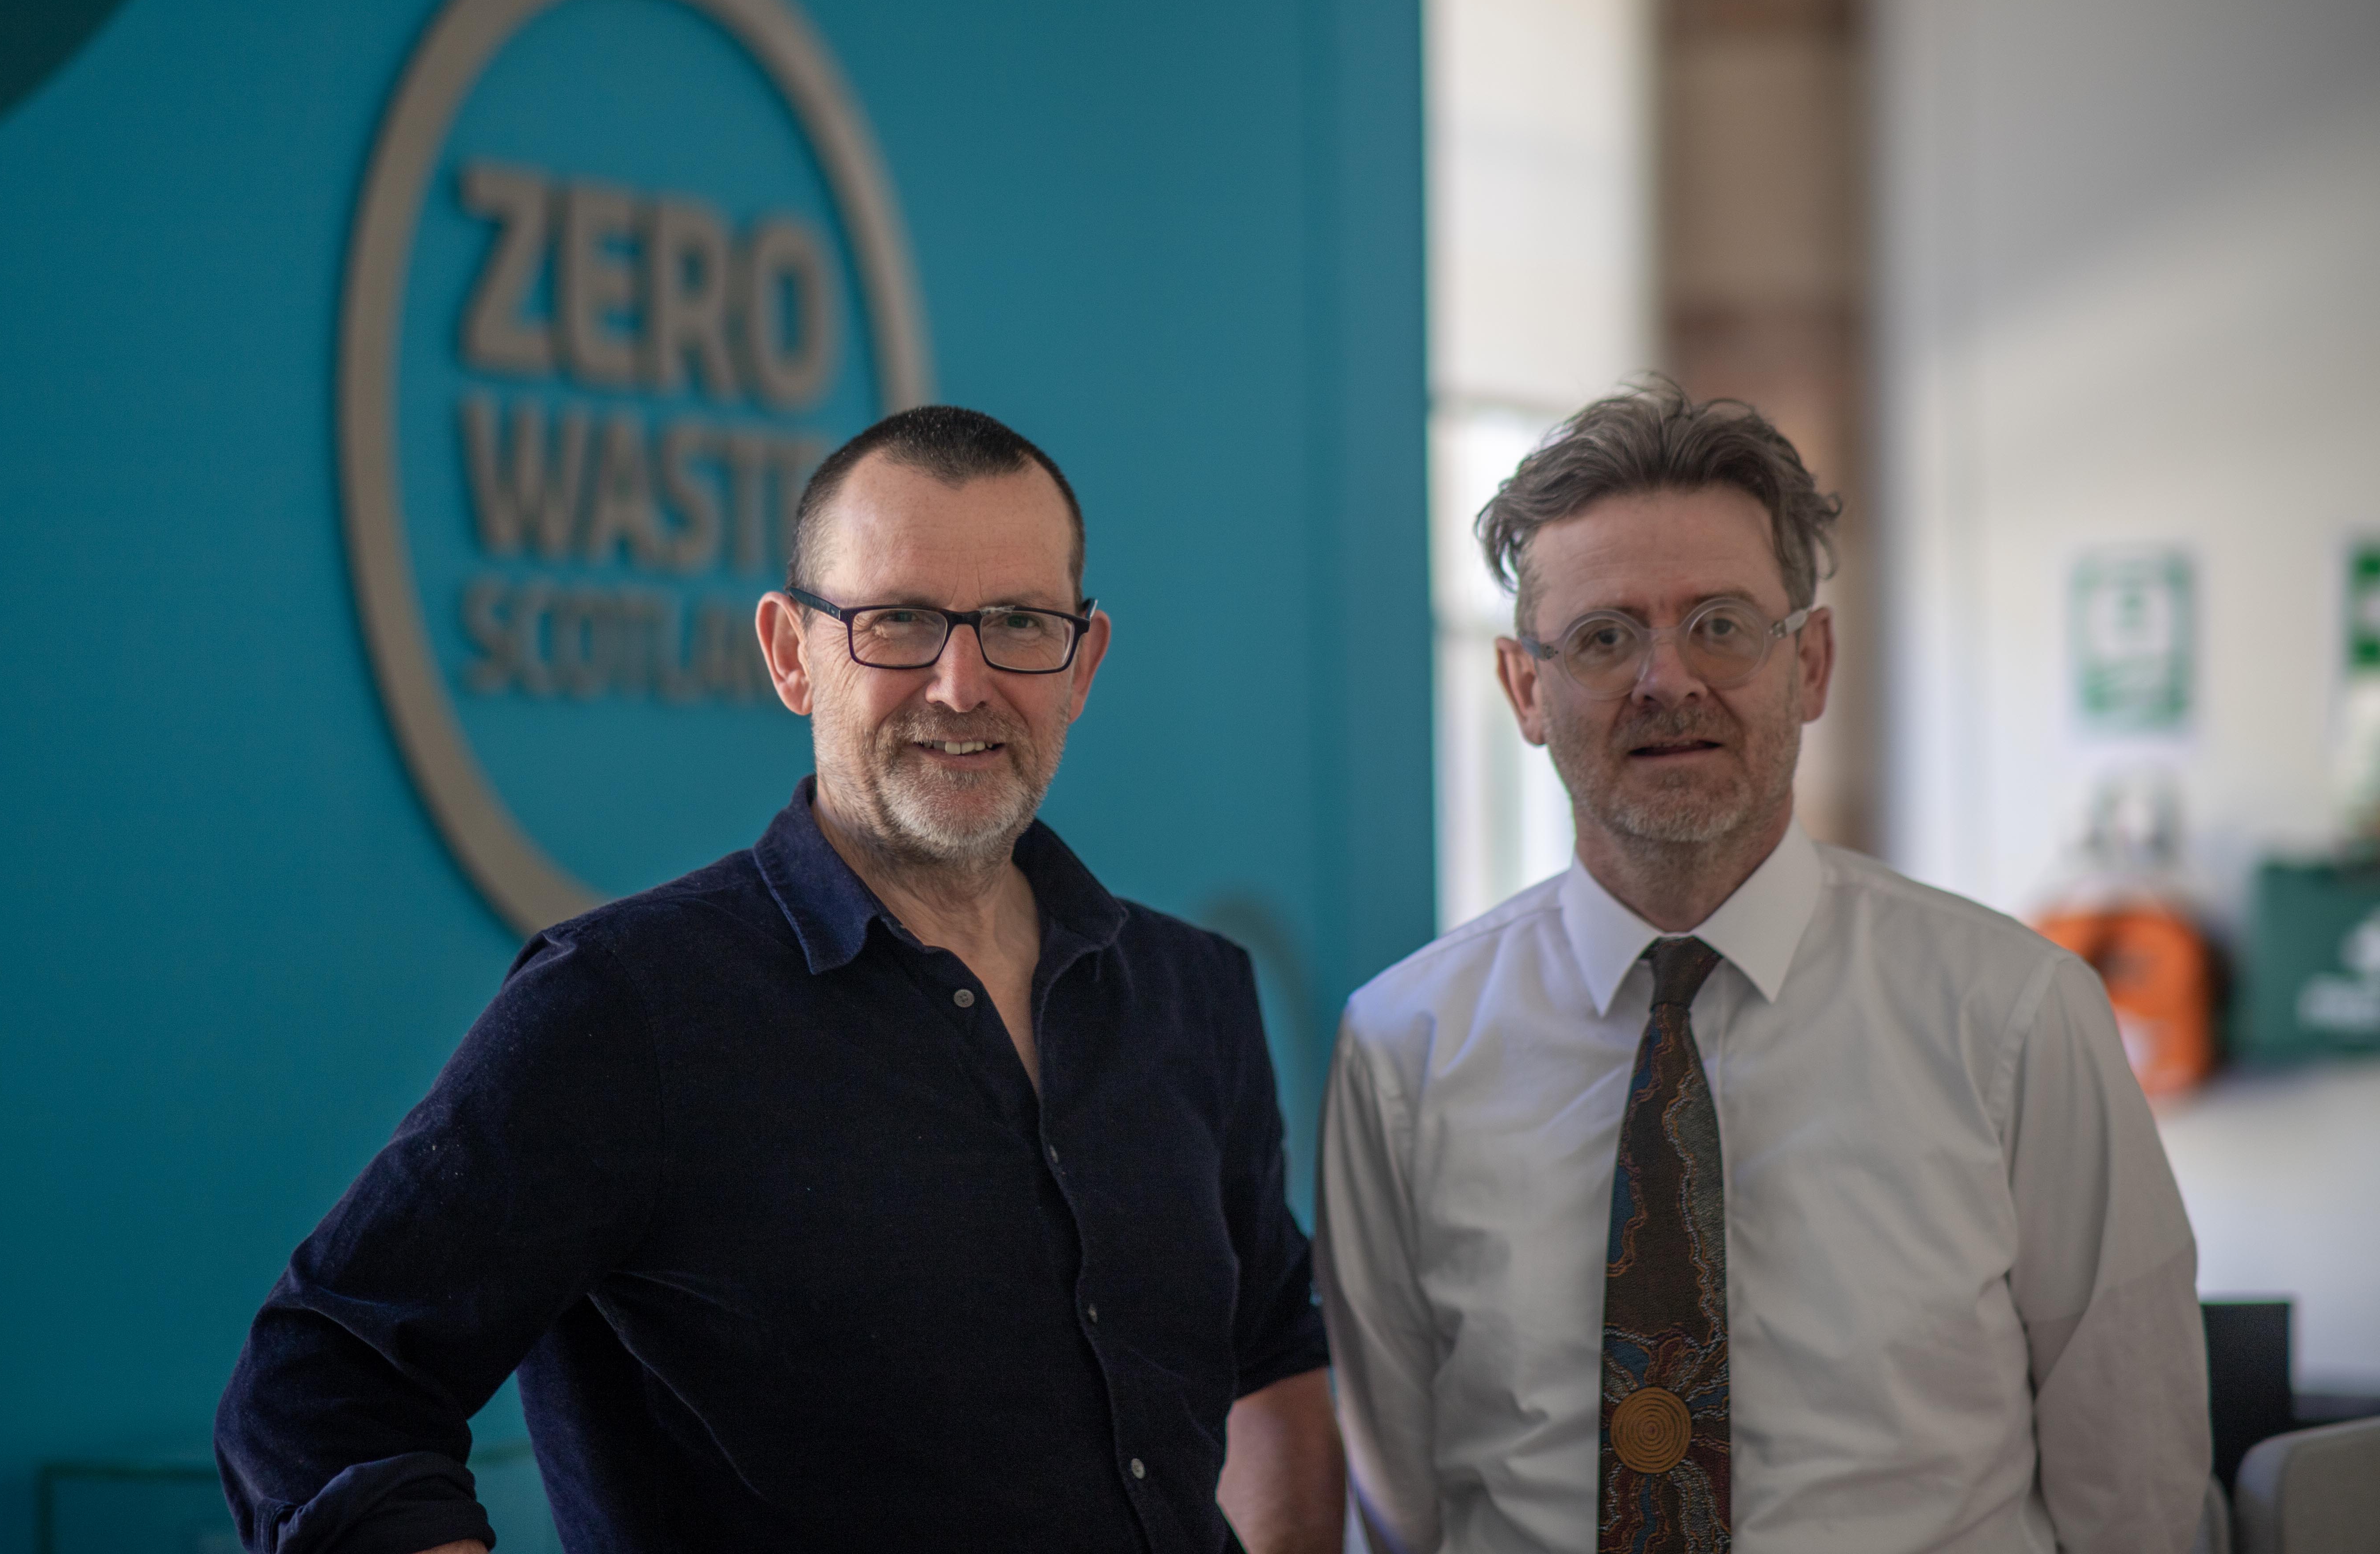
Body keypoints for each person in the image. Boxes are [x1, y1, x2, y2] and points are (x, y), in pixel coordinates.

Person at [218, 405, 1345, 1554]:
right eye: (899, 621)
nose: (962, 684)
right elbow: (318, 1389)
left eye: (1019, 622)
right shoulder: (625, 1006)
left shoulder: (1192, 994)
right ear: (792, 654)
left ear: (1083, 663)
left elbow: (1269, 1351)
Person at [1316, 382, 2207, 1554]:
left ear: (1813, 663)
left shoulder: (2017, 1020)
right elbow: (1399, 1508)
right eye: (1604, 638)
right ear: (1526, 690)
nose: (1668, 680)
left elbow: (2136, 1496)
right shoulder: (1403, 1051)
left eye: (1723, 625)